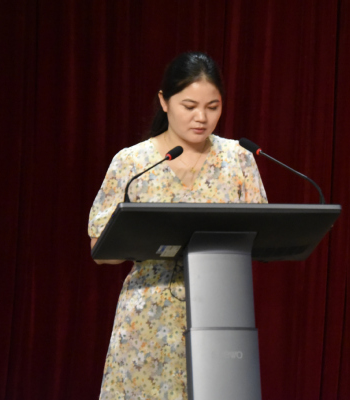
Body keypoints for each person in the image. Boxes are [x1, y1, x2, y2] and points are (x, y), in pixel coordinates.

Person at [88, 52, 267, 400]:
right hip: (147, 318)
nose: (202, 118)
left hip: (220, 311)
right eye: (189, 106)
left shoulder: (239, 159)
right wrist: (140, 238)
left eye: (213, 107)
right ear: (164, 101)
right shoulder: (132, 162)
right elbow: (99, 249)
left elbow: (259, 236)